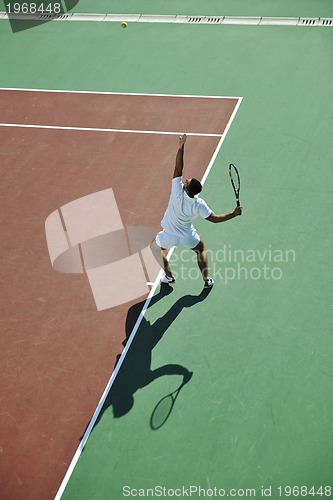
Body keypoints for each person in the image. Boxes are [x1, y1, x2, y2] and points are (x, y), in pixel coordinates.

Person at [151, 133, 242, 288]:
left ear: (186, 188)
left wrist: (181, 146)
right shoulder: (199, 204)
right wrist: (233, 214)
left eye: (187, 181)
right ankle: (207, 280)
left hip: (169, 235)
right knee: (201, 250)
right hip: (187, 236)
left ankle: (169, 276)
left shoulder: (177, 191)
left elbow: (178, 167)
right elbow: (214, 219)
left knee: (154, 247)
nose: (185, 179)